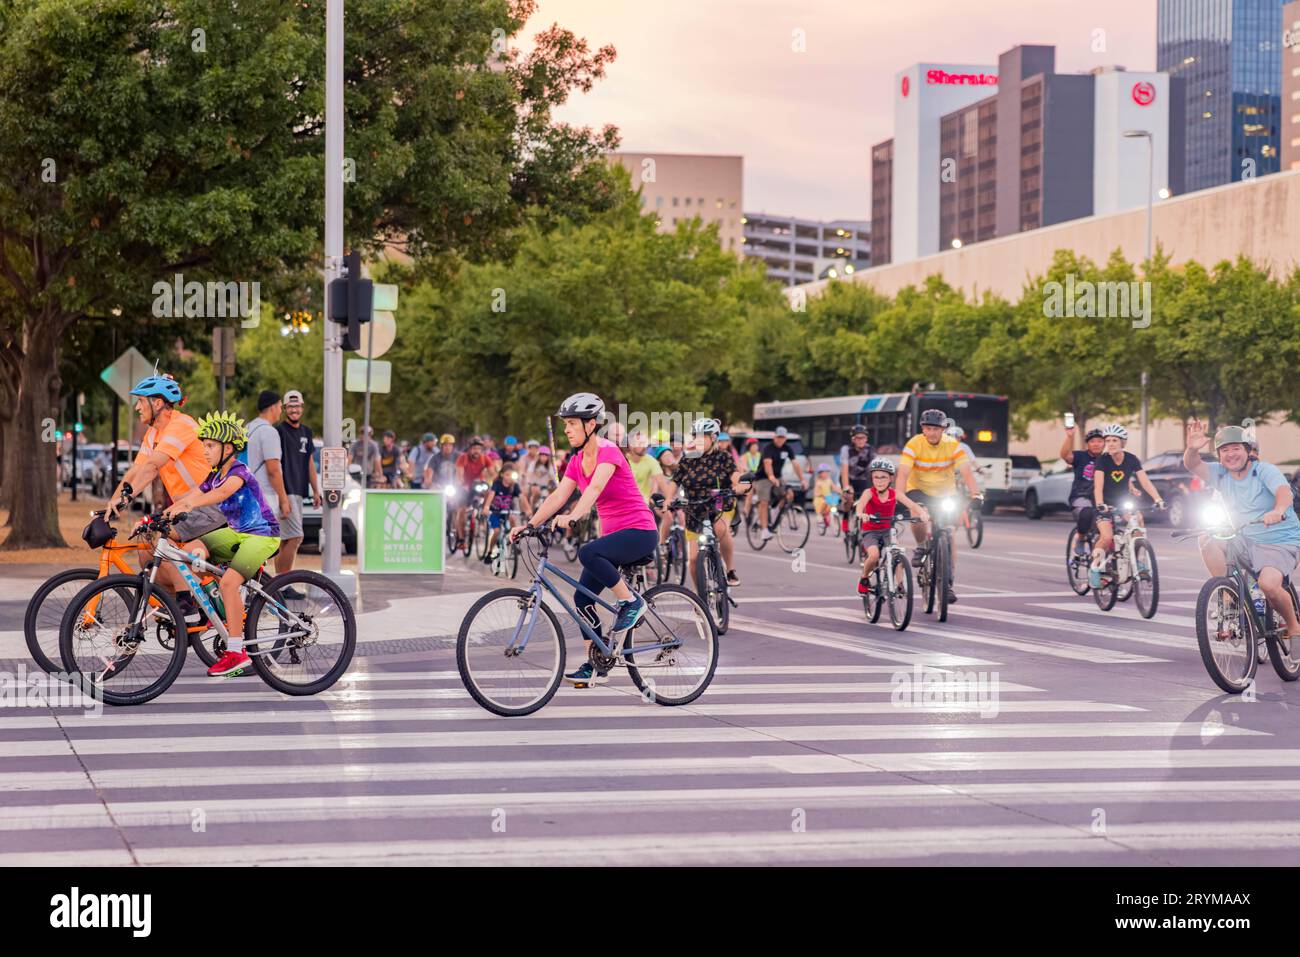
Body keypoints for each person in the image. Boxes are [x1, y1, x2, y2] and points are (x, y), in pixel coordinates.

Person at [512, 393, 657, 687]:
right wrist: (529, 524)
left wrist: (574, 517)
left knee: (588, 552)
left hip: (639, 531)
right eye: (565, 424)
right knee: (582, 598)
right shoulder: (577, 461)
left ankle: (631, 602)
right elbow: (559, 495)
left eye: (572, 423)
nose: (567, 430)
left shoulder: (609, 451)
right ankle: (596, 664)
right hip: (615, 537)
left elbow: (593, 491)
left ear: (591, 424)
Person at [160, 411, 281, 678]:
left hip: (261, 535)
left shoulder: (239, 471)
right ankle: (215, 605)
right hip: (237, 534)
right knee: (190, 548)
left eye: (210, 446)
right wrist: (165, 514)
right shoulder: (214, 475)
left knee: (228, 583)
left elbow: (223, 493)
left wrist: (190, 505)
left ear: (228, 448)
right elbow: (193, 494)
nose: (205, 451)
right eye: (203, 445)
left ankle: (237, 653)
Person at [1184, 421, 1300, 639]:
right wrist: (1192, 449)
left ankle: (1294, 625)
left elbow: (1284, 493)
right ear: (1219, 455)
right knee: (1208, 538)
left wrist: (1278, 509)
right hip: (1244, 538)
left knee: (1268, 585)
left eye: (1236, 448)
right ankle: (1229, 596)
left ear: (1248, 450)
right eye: (1225, 450)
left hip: (1279, 539)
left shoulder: (1264, 470)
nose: (1230, 454)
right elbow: (1192, 464)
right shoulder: (1219, 473)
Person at [107, 374, 226, 559]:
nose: (137, 407)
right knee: (146, 548)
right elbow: (136, 470)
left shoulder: (180, 425)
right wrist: (112, 505)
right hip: (185, 506)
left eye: (140, 401)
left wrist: (126, 499)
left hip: (208, 504)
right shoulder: (153, 433)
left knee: (163, 544)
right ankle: (157, 588)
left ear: (157, 403)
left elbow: (153, 466)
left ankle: (184, 589)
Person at [895, 408, 982, 606]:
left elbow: (967, 472)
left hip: (944, 493)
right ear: (922, 429)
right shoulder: (914, 444)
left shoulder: (953, 445)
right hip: (918, 489)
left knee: (948, 534)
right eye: (928, 428)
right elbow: (903, 473)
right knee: (917, 513)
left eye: (936, 429)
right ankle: (920, 546)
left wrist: (976, 494)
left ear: (943, 429)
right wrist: (899, 496)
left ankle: (948, 582)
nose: (932, 432)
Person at [670, 418, 746, 587]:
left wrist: (741, 485)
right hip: (694, 505)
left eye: (702, 436)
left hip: (719, 500)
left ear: (713, 438)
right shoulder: (687, 459)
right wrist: (668, 499)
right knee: (693, 559)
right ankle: (700, 598)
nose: (698, 440)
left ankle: (730, 570)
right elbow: (674, 482)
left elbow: (735, 476)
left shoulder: (723, 457)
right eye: (696, 436)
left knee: (720, 528)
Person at [1088, 424, 1166, 588]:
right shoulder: (1102, 460)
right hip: (1104, 503)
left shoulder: (1131, 459)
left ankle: (1140, 562)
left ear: (1122, 442)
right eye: (1107, 440)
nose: (1110, 443)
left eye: (1114, 440)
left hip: (1123, 502)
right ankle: (1094, 568)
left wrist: (1158, 499)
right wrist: (1101, 504)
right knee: (1107, 537)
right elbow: (1098, 486)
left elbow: (1145, 481)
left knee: (1138, 525)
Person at [274, 389, 321, 577]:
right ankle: (283, 581)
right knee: (295, 537)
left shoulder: (306, 432)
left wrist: (316, 490)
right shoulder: (279, 432)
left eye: (297, 406)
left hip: (300, 490)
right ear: (285, 408)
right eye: (290, 406)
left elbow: (309, 462)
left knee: (286, 540)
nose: (294, 410)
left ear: (302, 407)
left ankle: (279, 586)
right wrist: (281, 495)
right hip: (286, 490)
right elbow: (274, 464)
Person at [855, 458, 900, 596]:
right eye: (876, 477)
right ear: (872, 478)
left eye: (884, 477)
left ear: (891, 478)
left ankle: (900, 585)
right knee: (874, 556)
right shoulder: (869, 492)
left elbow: (911, 504)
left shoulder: (894, 493)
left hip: (887, 531)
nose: (880, 481)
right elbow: (860, 505)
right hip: (871, 531)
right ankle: (864, 578)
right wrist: (861, 514)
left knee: (898, 554)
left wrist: (922, 513)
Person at [755, 426, 807, 542]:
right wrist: (771, 476)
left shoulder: (787, 448)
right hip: (763, 477)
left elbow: (795, 464)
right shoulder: (769, 448)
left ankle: (774, 513)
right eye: (779, 437)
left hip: (777, 477)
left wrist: (802, 479)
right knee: (764, 501)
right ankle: (764, 530)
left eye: (783, 438)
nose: (780, 440)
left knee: (789, 495)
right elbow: (767, 463)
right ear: (775, 437)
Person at [1062, 424, 1106, 555]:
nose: (1096, 444)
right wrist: (1070, 437)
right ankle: (1080, 538)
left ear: (1104, 443)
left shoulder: (1108, 459)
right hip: (1082, 496)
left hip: (1102, 498)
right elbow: (1065, 455)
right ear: (1087, 444)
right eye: (1092, 441)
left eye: (1099, 441)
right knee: (1086, 513)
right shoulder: (1080, 456)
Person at [454, 437, 492, 545]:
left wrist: (495, 483)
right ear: (469, 449)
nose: (477, 451)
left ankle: (483, 515)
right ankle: (461, 538)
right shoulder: (463, 458)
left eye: (479, 449)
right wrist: (463, 484)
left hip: (478, 485)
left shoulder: (485, 459)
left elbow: (493, 474)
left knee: (489, 493)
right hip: (464, 486)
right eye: (474, 448)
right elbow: (459, 475)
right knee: (461, 511)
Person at [838, 424, 876, 532]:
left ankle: (863, 530)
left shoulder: (870, 450)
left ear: (866, 438)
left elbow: (874, 470)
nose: (860, 440)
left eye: (863, 437)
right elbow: (844, 470)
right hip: (848, 478)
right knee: (849, 498)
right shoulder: (846, 449)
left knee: (866, 501)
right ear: (853, 439)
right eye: (857, 438)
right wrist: (846, 487)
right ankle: (845, 518)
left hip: (862, 479)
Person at [482, 465, 523, 562]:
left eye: (510, 475)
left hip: (506, 512)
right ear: (502, 475)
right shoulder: (497, 484)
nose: (508, 478)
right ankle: (489, 552)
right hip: (495, 512)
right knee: (496, 531)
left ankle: (515, 542)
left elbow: (522, 498)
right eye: (506, 475)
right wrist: (487, 507)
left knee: (513, 519)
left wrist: (529, 509)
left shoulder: (514, 486)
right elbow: (491, 495)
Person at [627, 430, 670, 505]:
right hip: (623, 503)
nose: (644, 447)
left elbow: (661, 482)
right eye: (640, 444)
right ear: (630, 445)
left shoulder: (651, 460)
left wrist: (669, 499)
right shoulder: (623, 459)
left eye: (645, 443)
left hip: (643, 504)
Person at [812, 463, 839, 531]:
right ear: (820, 473)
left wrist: (841, 492)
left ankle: (835, 522)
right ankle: (820, 520)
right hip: (820, 500)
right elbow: (815, 492)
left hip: (828, 499)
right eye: (824, 472)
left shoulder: (829, 480)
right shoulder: (818, 482)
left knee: (833, 506)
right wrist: (819, 494)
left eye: (827, 472)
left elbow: (834, 488)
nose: (826, 474)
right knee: (820, 512)